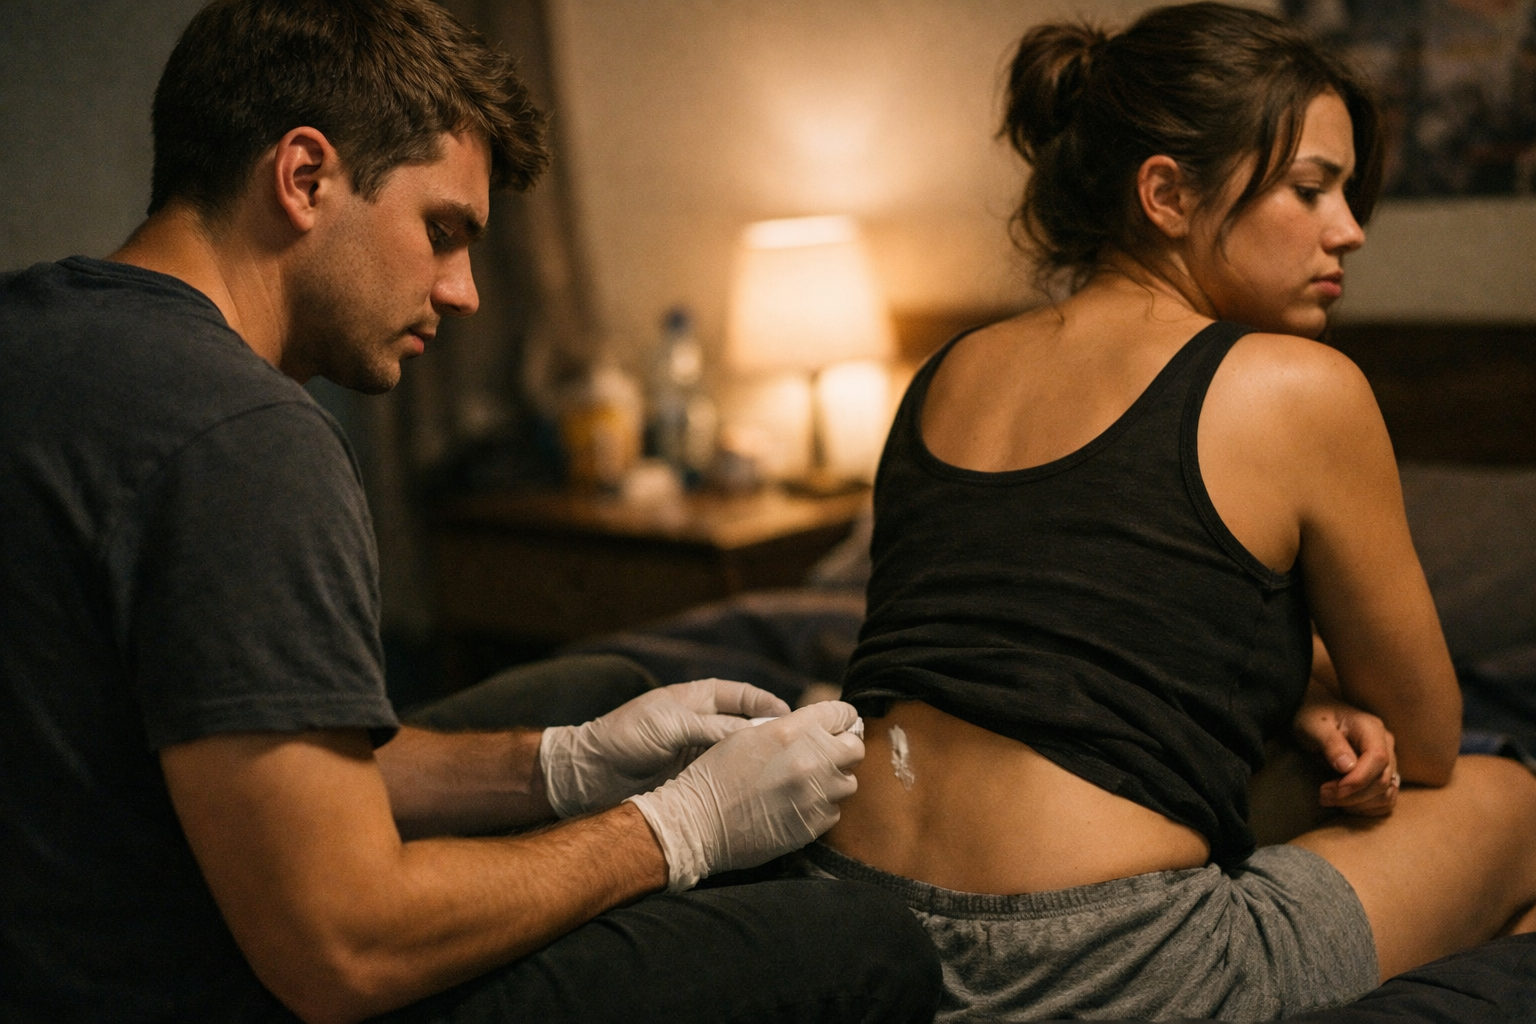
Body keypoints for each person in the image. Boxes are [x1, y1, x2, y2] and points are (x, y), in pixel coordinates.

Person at [0, 2, 943, 1022]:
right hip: (190, 982)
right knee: (866, 943)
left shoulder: (42, 330)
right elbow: (344, 948)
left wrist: (567, 765)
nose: (465, 293)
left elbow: (233, 736)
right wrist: (679, 827)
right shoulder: (241, 436)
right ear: (304, 177)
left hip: (75, 911)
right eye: (442, 232)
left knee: (602, 683)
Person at [789, 3, 1536, 1021]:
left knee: (1286, 777)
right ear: (1167, 194)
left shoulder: (948, 369)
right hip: (1098, 954)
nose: (1349, 229)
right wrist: (1328, 678)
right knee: (1512, 798)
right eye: (1313, 188)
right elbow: (1430, 738)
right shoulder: (1298, 386)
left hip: (848, 918)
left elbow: (1060, 639)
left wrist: (1298, 687)